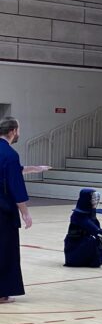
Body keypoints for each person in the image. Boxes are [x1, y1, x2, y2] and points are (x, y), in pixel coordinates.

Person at [0, 117, 32, 303]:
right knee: (5, 250)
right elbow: (15, 186)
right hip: (3, 211)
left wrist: (33, 168)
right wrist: (25, 212)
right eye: (18, 130)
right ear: (12, 131)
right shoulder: (10, 154)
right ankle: (2, 293)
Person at [64, 188, 102, 268]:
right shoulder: (78, 215)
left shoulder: (91, 211)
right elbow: (91, 226)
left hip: (86, 238)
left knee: (100, 245)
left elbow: (96, 225)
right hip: (76, 242)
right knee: (91, 243)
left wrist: (101, 237)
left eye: (96, 199)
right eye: (93, 199)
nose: (95, 201)